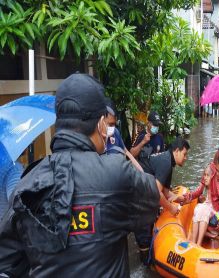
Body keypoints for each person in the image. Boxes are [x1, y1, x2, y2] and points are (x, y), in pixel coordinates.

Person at [0, 73, 160, 277]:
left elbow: (6, 261)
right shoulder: (116, 173)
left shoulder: (26, 186)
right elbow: (151, 199)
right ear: (102, 123)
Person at [134, 137, 189, 264]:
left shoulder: (167, 159)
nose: (186, 158)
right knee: (145, 242)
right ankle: (145, 266)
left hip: (142, 195)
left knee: (146, 236)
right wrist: (171, 208)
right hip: (138, 199)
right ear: (176, 151)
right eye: (184, 154)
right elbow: (156, 193)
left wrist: (179, 198)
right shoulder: (166, 163)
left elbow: (164, 191)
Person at [180, 163, 219, 246]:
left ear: (212, 176)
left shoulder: (218, 185)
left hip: (216, 212)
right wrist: (187, 197)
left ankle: (198, 243)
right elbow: (197, 192)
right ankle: (194, 240)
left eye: (207, 175)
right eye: (204, 175)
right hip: (208, 205)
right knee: (198, 208)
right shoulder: (205, 183)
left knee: (204, 211)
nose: (205, 177)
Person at [104, 98, 143, 171]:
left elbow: (126, 152)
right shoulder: (95, 138)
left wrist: (142, 172)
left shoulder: (115, 132)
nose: (113, 128)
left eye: (114, 124)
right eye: (110, 124)